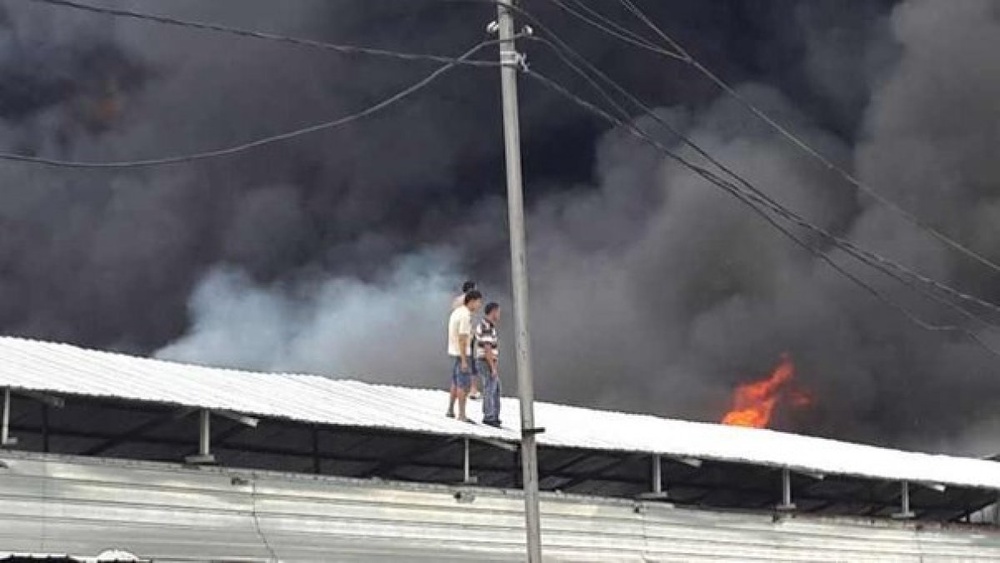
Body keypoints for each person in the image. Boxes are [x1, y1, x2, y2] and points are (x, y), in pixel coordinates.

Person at [446, 290, 483, 422]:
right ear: (472, 301)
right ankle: (462, 414)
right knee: (463, 385)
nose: (480, 305)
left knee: (455, 382)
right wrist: (464, 360)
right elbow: (462, 338)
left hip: (455, 351)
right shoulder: (465, 316)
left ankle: (450, 409)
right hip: (462, 353)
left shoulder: (457, 311)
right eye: (479, 302)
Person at [474, 302, 502, 427]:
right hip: (486, 361)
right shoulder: (486, 327)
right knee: (490, 388)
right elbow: (487, 348)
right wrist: (493, 367)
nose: (499, 314)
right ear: (493, 311)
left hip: (487, 361)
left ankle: (494, 415)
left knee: (495, 388)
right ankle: (489, 416)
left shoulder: (489, 326)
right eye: (498, 312)